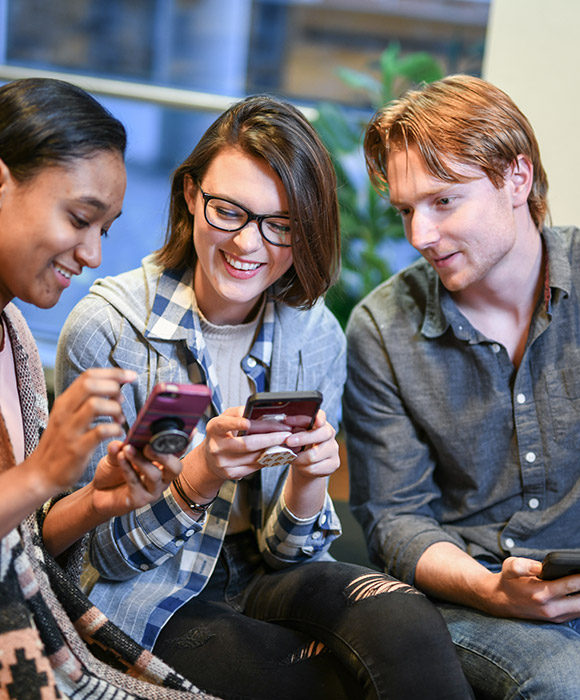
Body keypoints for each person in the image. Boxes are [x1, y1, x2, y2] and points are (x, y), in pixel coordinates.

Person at [56, 94, 473, 700]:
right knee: (315, 682)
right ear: (190, 197)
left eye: (281, 225)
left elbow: (291, 553)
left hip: (264, 574)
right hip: (152, 589)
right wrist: (196, 476)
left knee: (405, 617)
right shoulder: (110, 331)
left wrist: (309, 482)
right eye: (229, 211)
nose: (250, 244)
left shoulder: (314, 334)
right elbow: (100, 558)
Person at [0, 77, 212, 700]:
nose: (92, 255)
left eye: (105, 230)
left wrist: (96, 499)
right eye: (80, 219)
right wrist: (40, 474)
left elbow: (15, 552)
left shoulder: (17, 340)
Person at [345, 72, 580, 698]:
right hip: (473, 599)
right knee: (564, 684)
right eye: (406, 210)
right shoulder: (382, 328)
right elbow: (395, 519)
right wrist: (491, 591)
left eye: (444, 201)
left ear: (516, 179)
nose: (419, 236)